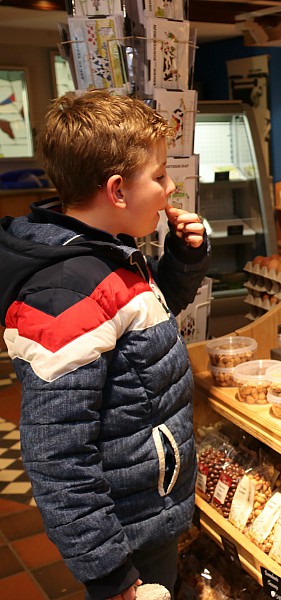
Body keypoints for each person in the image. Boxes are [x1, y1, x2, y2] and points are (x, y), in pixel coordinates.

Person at [0, 90, 210, 600]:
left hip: (148, 504)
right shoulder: (66, 293)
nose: (168, 190)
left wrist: (183, 258)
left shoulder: (107, 252)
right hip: (127, 529)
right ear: (117, 190)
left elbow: (141, 330)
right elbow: (57, 456)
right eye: (159, 177)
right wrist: (112, 575)